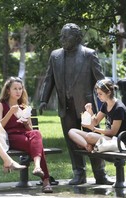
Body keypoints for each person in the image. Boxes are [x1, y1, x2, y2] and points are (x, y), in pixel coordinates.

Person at [39, 23, 113, 185]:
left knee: (92, 139)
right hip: (65, 106)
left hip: (86, 107)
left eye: (66, 36)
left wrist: (108, 100)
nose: (62, 39)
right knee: (72, 140)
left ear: (77, 38)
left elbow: (100, 80)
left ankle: (100, 173)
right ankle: (79, 173)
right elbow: (49, 79)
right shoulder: (55, 56)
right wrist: (44, 99)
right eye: (61, 36)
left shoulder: (89, 54)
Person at [0, 77, 53, 193]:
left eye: (20, 89)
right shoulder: (1, 105)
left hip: (25, 135)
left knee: (36, 133)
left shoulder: (24, 107)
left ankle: (37, 167)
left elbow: (30, 129)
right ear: (8, 91)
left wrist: (26, 123)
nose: (18, 91)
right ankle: (45, 180)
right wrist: (11, 112)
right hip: (10, 137)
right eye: (15, 89)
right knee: (37, 146)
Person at [68, 79, 126, 152]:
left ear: (109, 92)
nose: (98, 96)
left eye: (100, 94)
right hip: (107, 138)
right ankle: (87, 146)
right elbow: (96, 121)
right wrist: (90, 111)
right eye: (97, 94)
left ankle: (90, 145)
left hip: (116, 140)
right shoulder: (105, 104)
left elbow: (113, 132)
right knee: (71, 132)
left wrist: (94, 129)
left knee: (89, 136)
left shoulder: (119, 108)